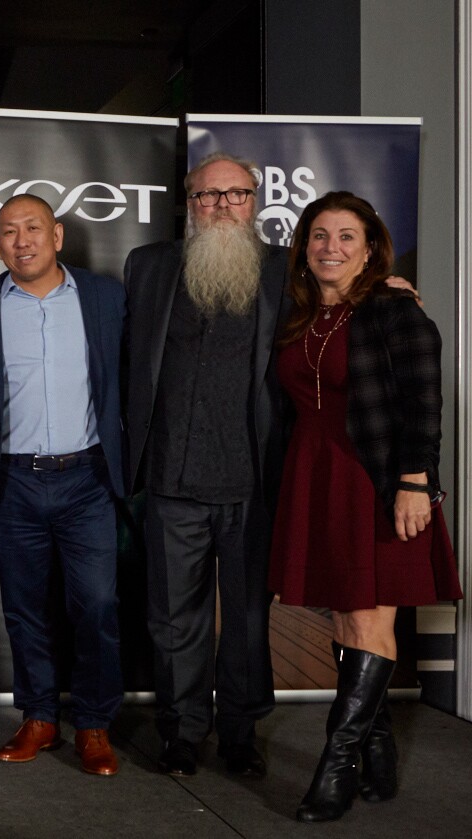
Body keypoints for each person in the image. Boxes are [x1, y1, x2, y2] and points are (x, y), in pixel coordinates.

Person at [268, 192, 461, 823]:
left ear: (372, 247)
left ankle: (336, 766)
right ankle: (376, 754)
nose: (331, 247)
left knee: (369, 623)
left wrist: (415, 481)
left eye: (347, 236)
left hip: (373, 479)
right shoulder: (298, 313)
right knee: (347, 622)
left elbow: (423, 402)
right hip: (314, 474)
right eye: (319, 235)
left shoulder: (393, 310)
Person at [122, 152, 283, 778]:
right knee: (172, 618)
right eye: (206, 197)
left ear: (254, 201)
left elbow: (342, 305)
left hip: (252, 479)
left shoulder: (285, 271)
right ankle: (182, 732)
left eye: (234, 195)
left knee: (246, 619)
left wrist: (389, 288)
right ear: (189, 204)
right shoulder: (150, 266)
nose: (220, 207)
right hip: (170, 478)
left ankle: (240, 734)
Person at [0, 194, 125, 776]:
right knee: (25, 610)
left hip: (88, 479)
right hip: (12, 482)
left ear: (58, 235)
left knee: (98, 605)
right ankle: (38, 717)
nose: (21, 240)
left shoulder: (105, 297)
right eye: (8, 231)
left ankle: (96, 724)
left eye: (33, 228)